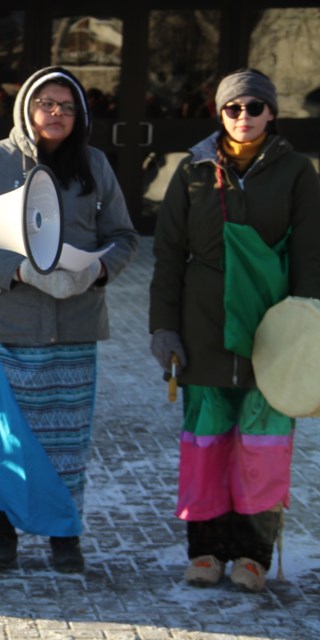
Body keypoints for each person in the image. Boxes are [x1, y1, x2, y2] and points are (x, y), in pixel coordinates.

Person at [0, 66, 138, 573]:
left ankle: (64, 536)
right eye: (46, 104)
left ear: (78, 115)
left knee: (66, 442)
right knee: (2, 437)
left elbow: (124, 235)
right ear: (27, 110)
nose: (56, 113)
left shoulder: (95, 164)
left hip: (73, 327)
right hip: (4, 324)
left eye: (66, 106)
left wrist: (97, 270)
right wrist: (16, 271)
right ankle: (2, 532)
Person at [149, 69, 320, 592]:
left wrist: (307, 332)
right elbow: (169, 255)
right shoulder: (193, 171)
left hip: (273, 332)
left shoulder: (297, 173)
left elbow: (311, 257)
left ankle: (252, 555)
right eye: (233, 108)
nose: (243, 117)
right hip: (203, 329)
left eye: (254, 107)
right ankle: (205, 550)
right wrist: (164, 328)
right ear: (219, 113)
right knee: (205, 444)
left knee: (263, 444)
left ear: (272, 113)